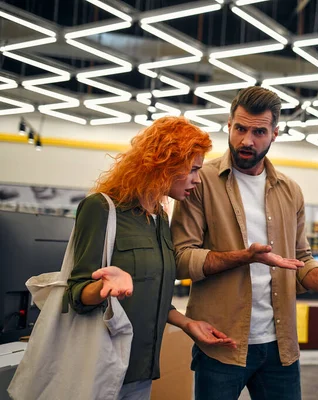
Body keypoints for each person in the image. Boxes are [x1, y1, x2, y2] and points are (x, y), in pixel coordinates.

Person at [171, 86, 318, 400]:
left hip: (279, 346)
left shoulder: (290, 190)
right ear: (228, 125)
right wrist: (244, 257)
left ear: (275, 133)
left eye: (259, 131)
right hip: (220, 342)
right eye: (240, 129)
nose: (247, 140)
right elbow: (181, 257)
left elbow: (301, 259)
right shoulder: (199, 180)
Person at [67, 116, 236, 400]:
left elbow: (154, 294)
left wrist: (187, 324)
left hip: (141, 369)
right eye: (193, 169)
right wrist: (106, 285)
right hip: (99, 369)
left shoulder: (159, 219)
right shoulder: (101, 209)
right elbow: (76, 292)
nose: (198, 179)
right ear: (166, 164)